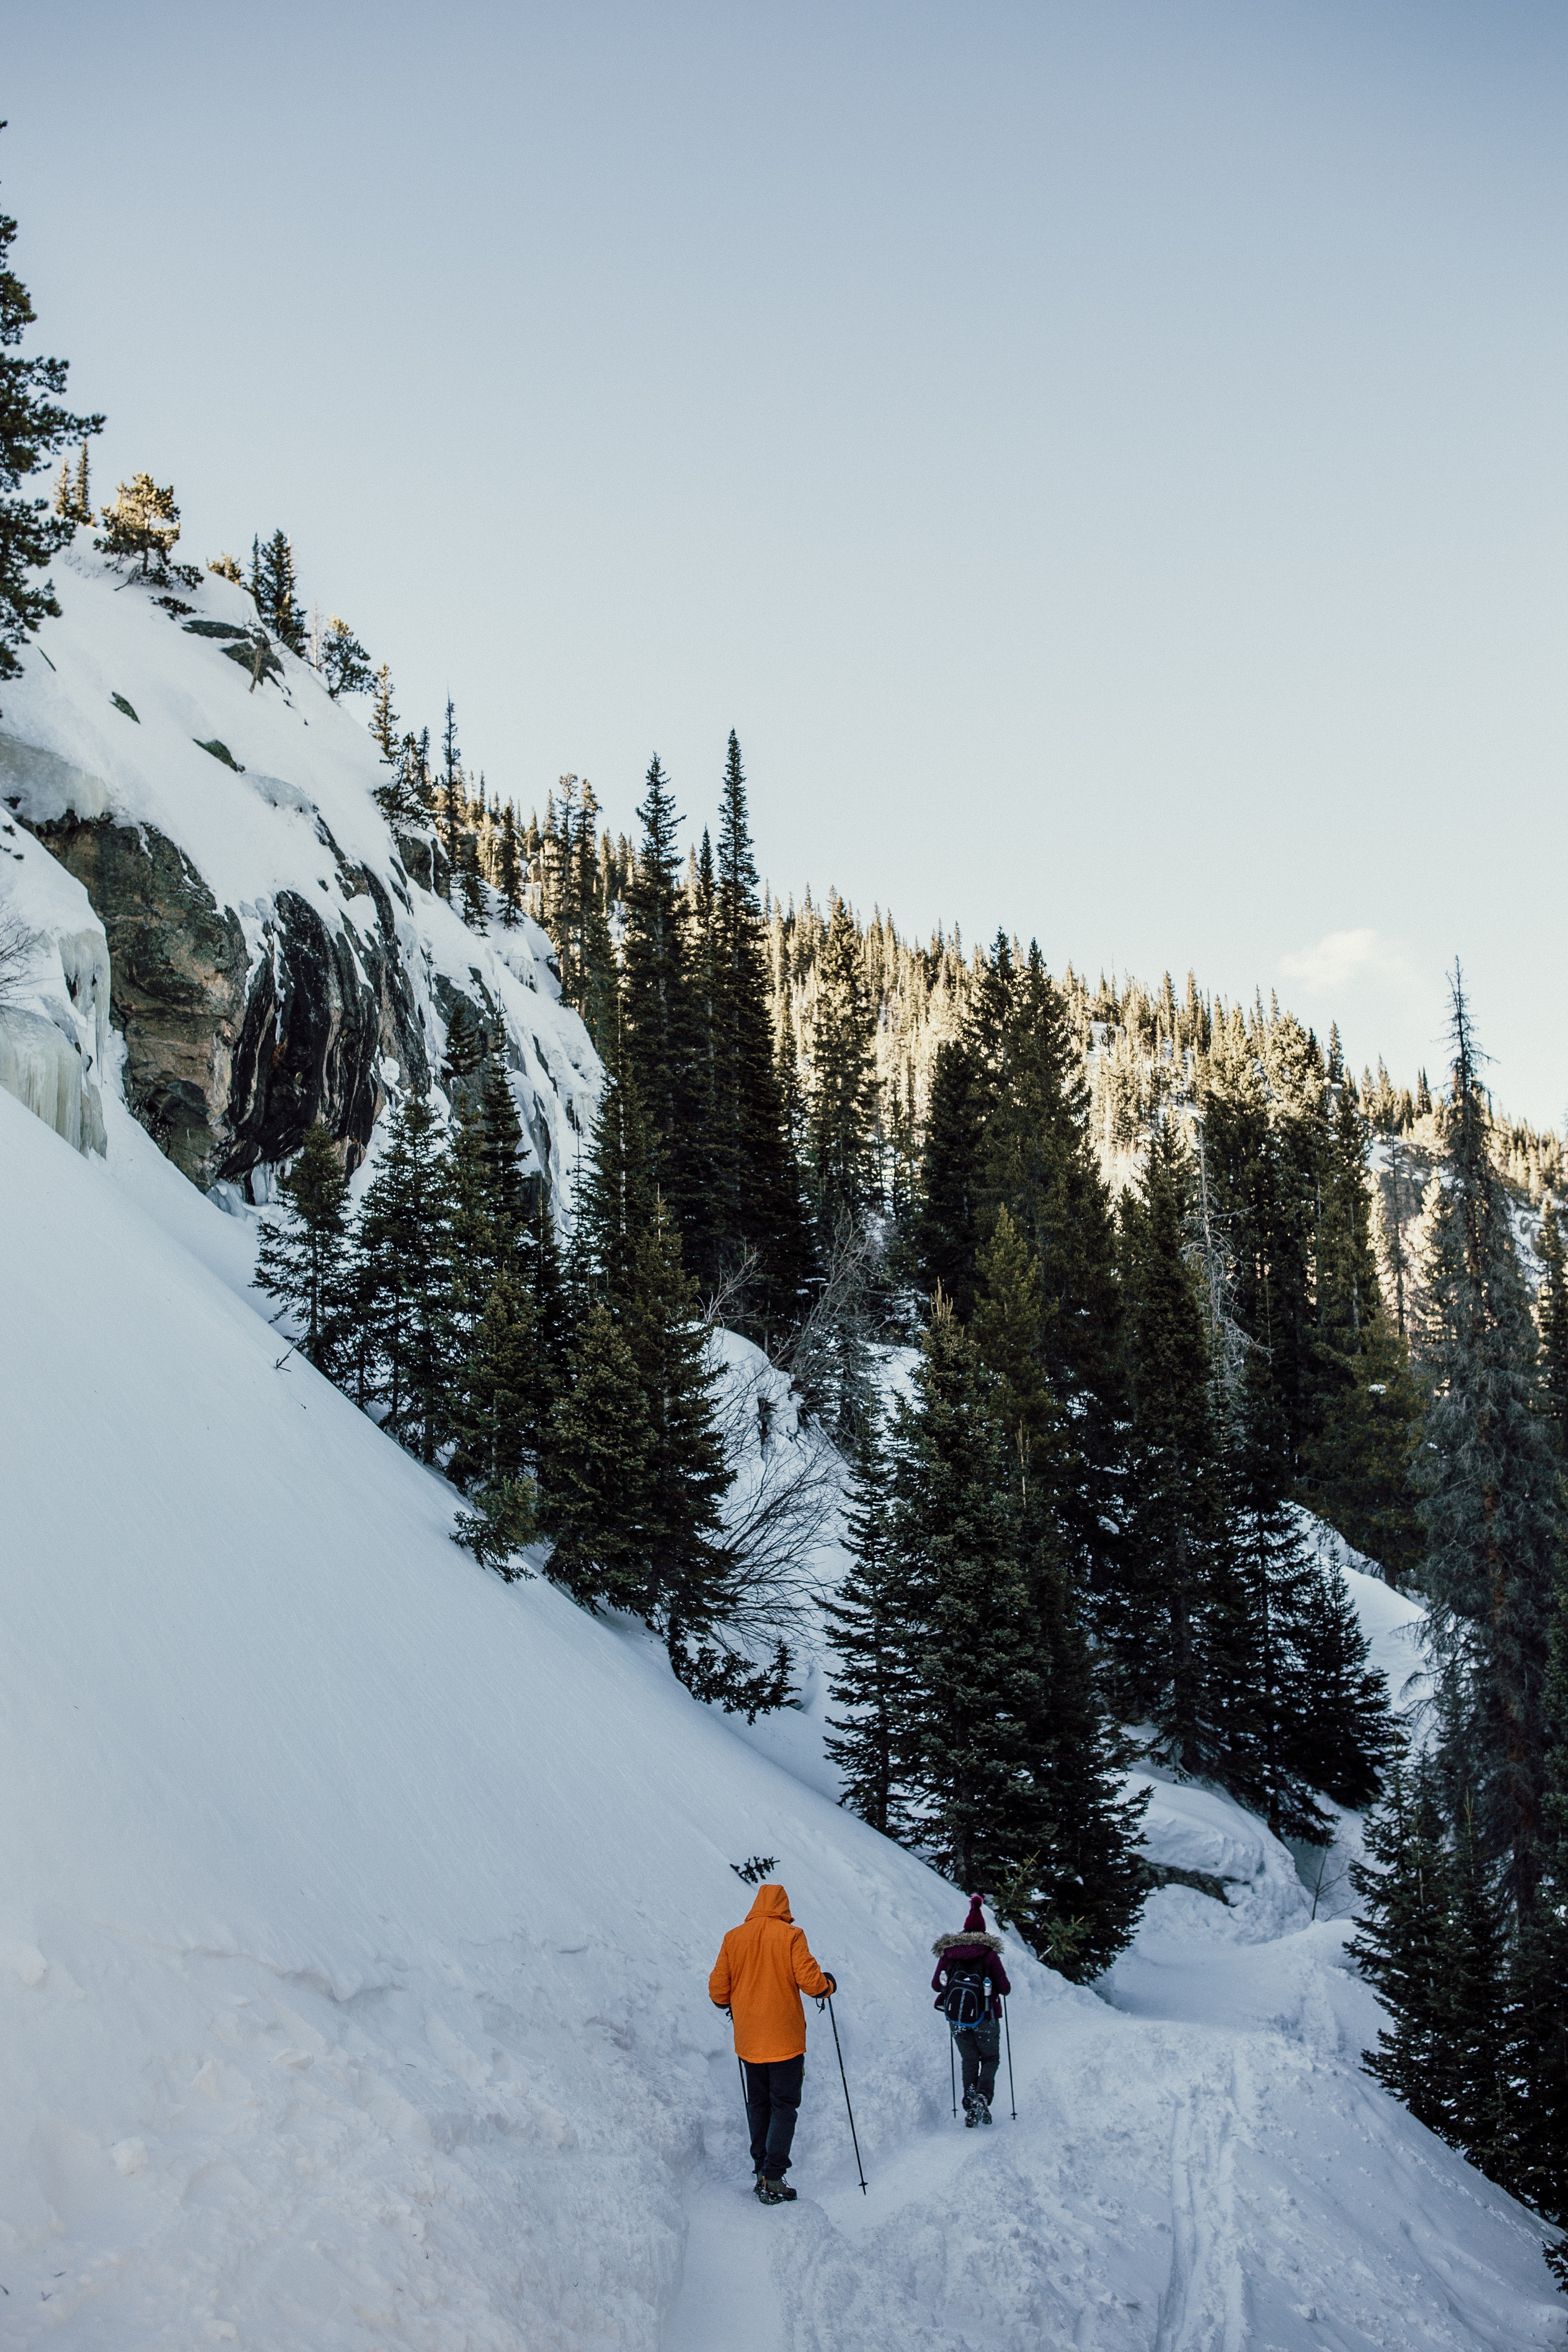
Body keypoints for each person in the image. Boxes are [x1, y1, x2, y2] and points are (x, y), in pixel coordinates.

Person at [709, 1882, 836, 2204]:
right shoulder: (791, 1936)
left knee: (759, 2104)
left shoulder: (733, 1938)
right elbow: (811, 1982)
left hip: (749, 2041)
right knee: (784, 2105)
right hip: (785, 2041)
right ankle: (774, 2177)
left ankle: (760, 2169)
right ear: (783, 1908)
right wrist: (828, 1986)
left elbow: (717, 1993)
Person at [932, 1894, 1010, 2126]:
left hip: (956, 2017)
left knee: (969, 2059)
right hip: (986, 2016)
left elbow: (937, 1985)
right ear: (983, 1933)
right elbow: (1004, 1989)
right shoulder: (989, 1954)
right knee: (990, 2057)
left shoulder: (949, 1953)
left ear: (963, 1932)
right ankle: (982, 2097)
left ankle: (970, 2100)